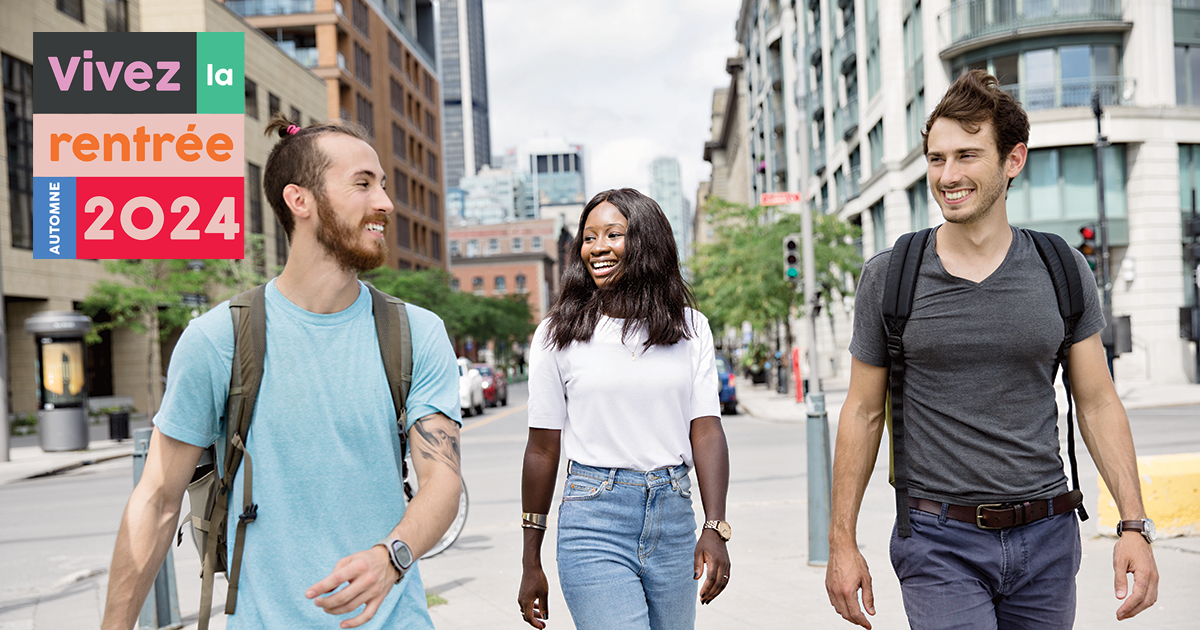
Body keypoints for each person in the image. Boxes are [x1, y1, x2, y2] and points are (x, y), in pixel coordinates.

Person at [824, 69, 1159, 629]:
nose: (948, 176)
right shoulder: (891, 276)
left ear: (1013, 160)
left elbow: (1098, 402)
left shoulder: (1061, 269)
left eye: (967, 156)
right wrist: (841, 543)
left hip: (1048, 538)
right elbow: (861, 412)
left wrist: (1133, 524)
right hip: (938, 542)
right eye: (936, 158)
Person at [100, 117, 463, 630]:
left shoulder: (416, 334)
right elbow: (158, 500)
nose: (385, 202)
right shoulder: (217, 339)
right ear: (300, 200)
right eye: (363, 183)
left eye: (382, 184)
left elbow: (441, 481)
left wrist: (392, 555)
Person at [517, 188, 732, 630]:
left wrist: (715, 526)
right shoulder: (557, 334)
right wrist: (530, 560)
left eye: (613, 234)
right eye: (589, 237)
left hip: (673, 515)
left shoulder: (692, 328)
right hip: (593, 519)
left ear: (647, 243)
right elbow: (541, 449)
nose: (597, 247)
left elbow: (706, 430)